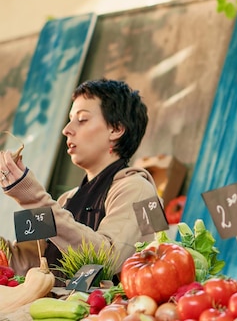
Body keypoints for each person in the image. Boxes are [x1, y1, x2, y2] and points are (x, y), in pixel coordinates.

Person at [0, 78, 159, 283]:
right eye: (70, 119)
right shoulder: (67, 199)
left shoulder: (140, 190)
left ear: (116, 129)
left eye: (82, 119)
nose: (66, 129)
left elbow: (106, 262)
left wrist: (31, 196)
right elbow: (28, 262)